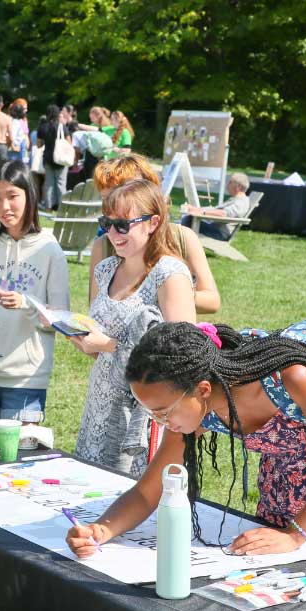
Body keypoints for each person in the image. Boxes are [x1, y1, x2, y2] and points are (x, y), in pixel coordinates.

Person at [66, 319, 306, 560]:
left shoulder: (293, 378)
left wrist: (295, 535)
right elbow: (150, 488)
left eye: (162, 411)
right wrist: (103, 529)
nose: (160, 422)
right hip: (288, 488)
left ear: (202, 390)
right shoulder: (196, 412)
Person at [71, 179, 196, 477]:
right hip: (100, 406)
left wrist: (107, 345)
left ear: (153, 222)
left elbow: (184, 355)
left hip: (147, 414)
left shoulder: (169, 273)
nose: (113, 233)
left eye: (123, 225)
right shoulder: (106, 270)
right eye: (107, 223)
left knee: (133, 502)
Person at [0, 161, 68, 424]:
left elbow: (61, 319)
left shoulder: (50, 250)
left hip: (27, 374)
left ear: (30, 195)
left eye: (13, 196)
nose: (4, 207)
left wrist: (26, 304)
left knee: (20, 452)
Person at [89, 154, 220, 314]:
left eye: (124, 192)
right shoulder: (103, 245)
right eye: (106, 198)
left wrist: (168, 291)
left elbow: (212, 301)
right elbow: (95, 308)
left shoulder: (182, 237)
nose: (113, 203)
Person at [180, 172, 251, 241]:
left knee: (189, 220)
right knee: (187, 219)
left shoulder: (241, 202)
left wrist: (203, 212)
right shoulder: (236, 199)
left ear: (238, 187)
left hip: (219, 233)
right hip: (215, 227)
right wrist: (195, 209)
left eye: (230, 182)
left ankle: (181, 245)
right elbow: (215, 209)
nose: (227, 185)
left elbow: (224, 213)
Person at [36, 105, 71, 211]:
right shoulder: (62, 127)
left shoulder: (42, 127)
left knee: (49, 184)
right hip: (61, 159)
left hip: (48, 158)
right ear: (57, 114)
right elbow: (69, 142)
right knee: (61, 184)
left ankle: (48, 207)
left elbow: (39, 145)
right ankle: (62, 208)